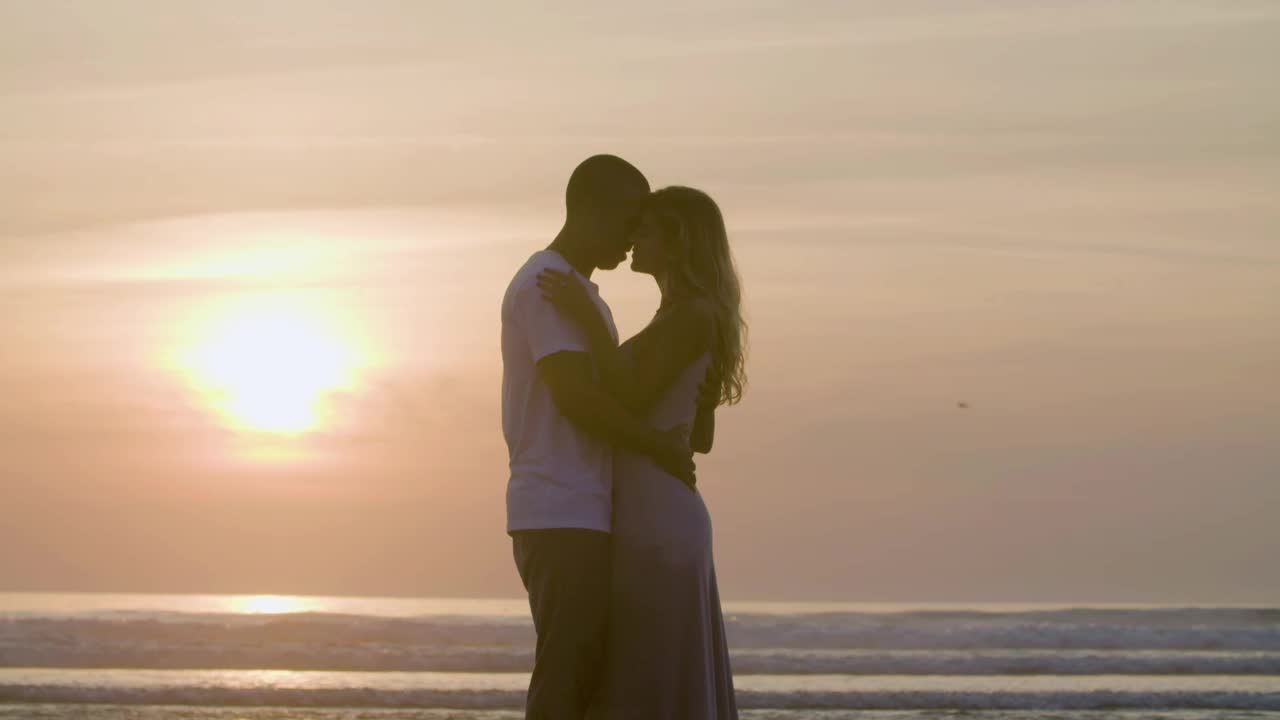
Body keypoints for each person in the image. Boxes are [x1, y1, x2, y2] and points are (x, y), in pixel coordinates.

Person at [500, 155, 697, 720]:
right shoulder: (547, 284)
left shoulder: (577, 291)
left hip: (579, 505)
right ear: (594, 210)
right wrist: (656, 446)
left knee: (586, 669)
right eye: (630, 218)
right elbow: (576, 398)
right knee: (567, 668)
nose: (635, 235)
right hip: (559, 504)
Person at [539, 185, 746, 719]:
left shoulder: (691, 315)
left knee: (647, 672)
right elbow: (699, 437)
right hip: (659, 504)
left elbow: (626, 399)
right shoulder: (688, 315)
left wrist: (586, 321)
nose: (633, 238)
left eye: (646, 229)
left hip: (655, 515)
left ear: (676, 242)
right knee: (646, 671)